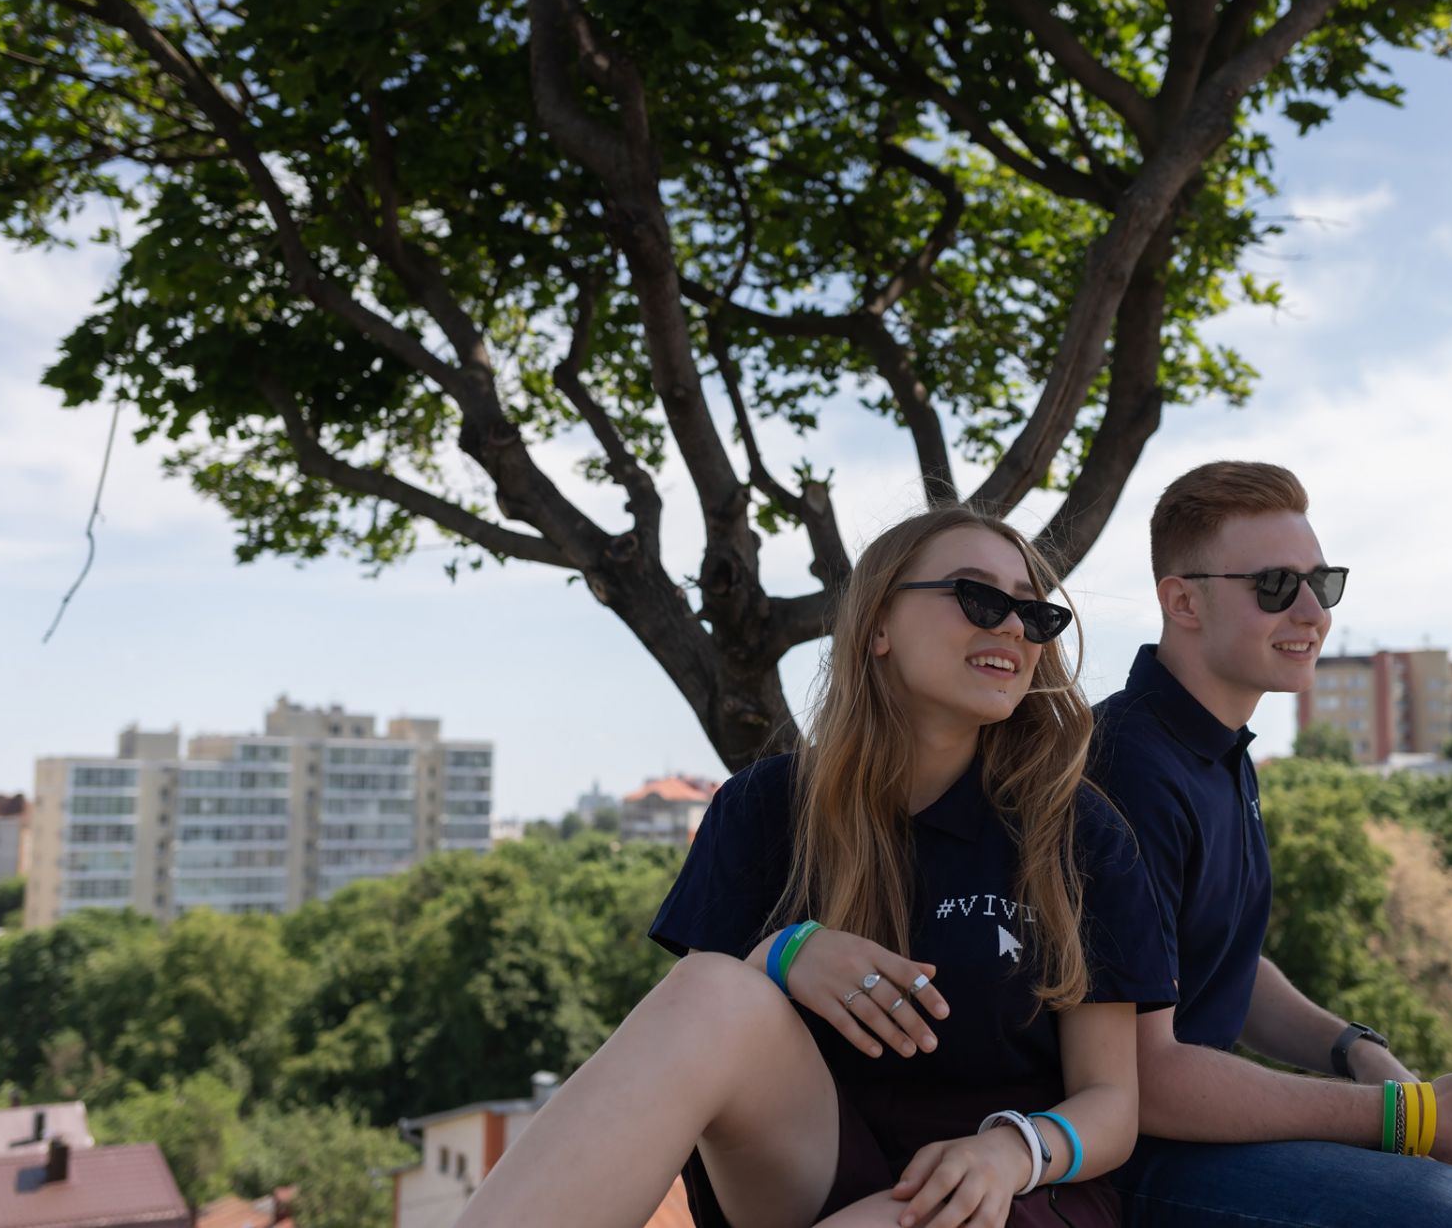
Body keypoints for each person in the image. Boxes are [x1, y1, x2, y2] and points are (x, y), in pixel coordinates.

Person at [462, 508, 1175, 1228]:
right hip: (811, 1166)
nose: (1015, 627)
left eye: (1034, 611)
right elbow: (700, 1049)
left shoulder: (1075, 831)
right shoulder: (765, 806)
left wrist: (1012, 1150)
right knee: (712, 985)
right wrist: (784, 955)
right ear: (878, 625)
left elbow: (1112, 1103)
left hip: (1004, 1190)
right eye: (978, 596)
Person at [1089, 461, 1452, 1228]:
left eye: (1321, 584)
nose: (1311, 612)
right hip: (1129, 1151)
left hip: (1201, 1129)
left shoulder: (1220, 750)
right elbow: (1142, 1077)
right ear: (1182, 600)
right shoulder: (1127, 765)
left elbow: (1221, 963)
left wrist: (1354, 1046)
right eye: (1274, 585)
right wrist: (1409, 1116)